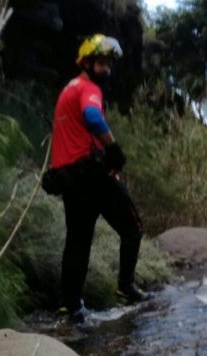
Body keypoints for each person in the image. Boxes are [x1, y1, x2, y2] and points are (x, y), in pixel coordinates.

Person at [49, 34, 147, 323]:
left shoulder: (69, 88)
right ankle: (126, 287)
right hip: (89, 175)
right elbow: (93, 117)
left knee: (78, 241)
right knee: (133, 227)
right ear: (88, 62)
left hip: (68, 177)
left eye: (109, 64)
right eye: (103, 63)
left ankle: (71, 306)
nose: (107, 69)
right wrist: (113, 148)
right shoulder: (89, 89)